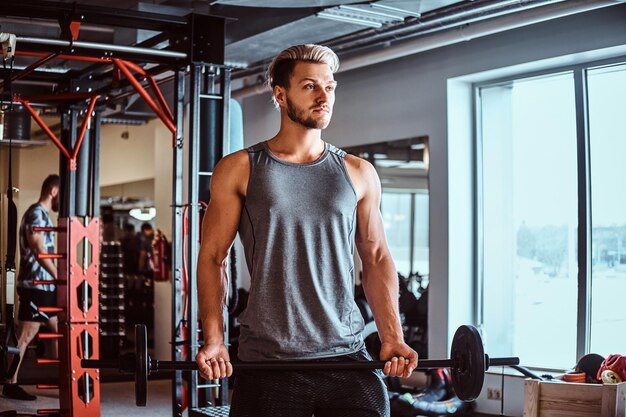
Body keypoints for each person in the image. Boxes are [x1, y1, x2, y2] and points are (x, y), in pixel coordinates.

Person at [195, 44, 417, 417]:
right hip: (269, 361)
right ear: (280, 95)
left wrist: (392, 337)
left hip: (346, 354)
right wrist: (215, 339)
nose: (324, 96)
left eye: (329, 87)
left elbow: (376, 257)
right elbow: (213, 257)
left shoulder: (358, 173)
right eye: (310, 86)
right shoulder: (240, 168)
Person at [3, 174, 60, 401]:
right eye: (61, 195)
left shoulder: (44, 215)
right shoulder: (36, 213)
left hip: (46, 286)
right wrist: (59, 275)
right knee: (25, 335)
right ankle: (10, 382)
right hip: (35, 285)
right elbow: (38, 248)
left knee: (59, 330)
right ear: (53, 191)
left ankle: (66, 380)